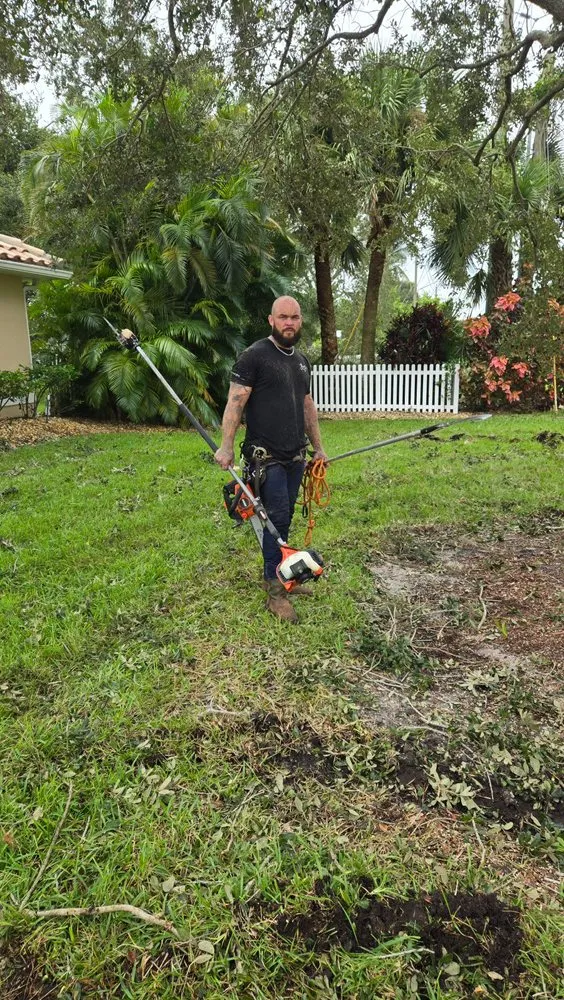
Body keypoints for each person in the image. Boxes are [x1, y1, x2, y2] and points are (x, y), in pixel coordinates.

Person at [214, 296, 328, 622]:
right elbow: (236, 402)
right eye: (283, 317)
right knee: (274, 521)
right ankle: (276, 592)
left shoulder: (302, 361)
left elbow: (307, 405)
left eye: (294, 317)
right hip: (265, 459)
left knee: (284, 519)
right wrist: (226, 446)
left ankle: (281, 576)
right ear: (271, 320)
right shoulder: (254, 356)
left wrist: (317, 447)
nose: (289, 323)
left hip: (295, 455)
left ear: (300, 320)